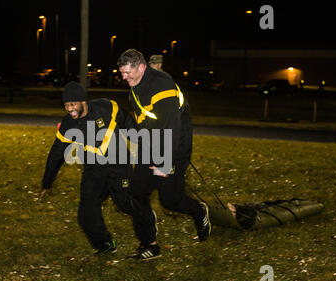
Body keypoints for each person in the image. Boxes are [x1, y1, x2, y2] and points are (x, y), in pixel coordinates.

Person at [39, 81, 154, 255]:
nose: (70, 109)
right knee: (86, 214)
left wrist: (143, 143)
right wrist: (47, 182)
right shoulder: (68, 124)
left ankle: (149, 238)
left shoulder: (106, 108)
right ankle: (105, 244)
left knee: (125, 204)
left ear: (83, 101)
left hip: (119, 164)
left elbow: (126, 120)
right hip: (93, 169)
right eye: (66, 105)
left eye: (73, 104)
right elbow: (56, 153)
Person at [117, 49, 211, 260]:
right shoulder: (135, 86)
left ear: (141, 67)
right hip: (152, 142)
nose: (124, 77)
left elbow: (171, 127)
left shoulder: (161, 86)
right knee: (136, 192)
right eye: (122, 73)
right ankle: (149, 245)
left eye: (127, 72)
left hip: (175, 145)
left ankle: (199, 211)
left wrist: (164, 162)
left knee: (170, 200)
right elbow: (146, 119)